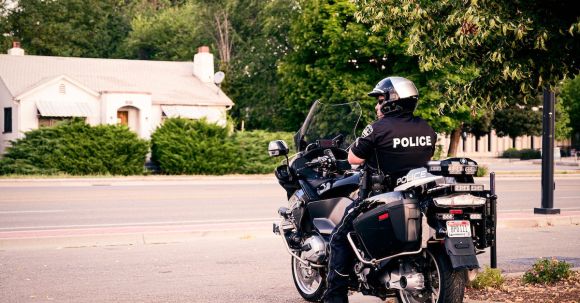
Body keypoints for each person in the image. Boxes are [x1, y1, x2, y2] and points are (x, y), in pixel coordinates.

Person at [323, 76, 437, 303]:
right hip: (416, 195)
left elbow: (354, 158)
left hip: (380, 196)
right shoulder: (426, 127)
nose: (376, 106)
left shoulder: (377, 128)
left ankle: (335, 297)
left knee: (339, 237)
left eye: (379, 100)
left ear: (392, 101)